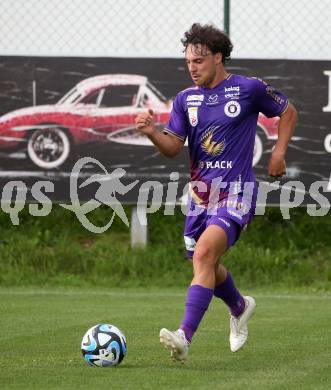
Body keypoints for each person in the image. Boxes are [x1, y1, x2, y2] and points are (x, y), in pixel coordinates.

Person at [135, 23, 297, 362]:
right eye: (188, 62)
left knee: (204, 254)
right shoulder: (185, 99)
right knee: (205, 262)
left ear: (218, 57)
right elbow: (171, 148)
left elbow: (287, 111)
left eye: (199, 60)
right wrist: (152, 132)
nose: (193, 68)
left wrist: (279, 152)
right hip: (199, 198)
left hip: (237, 190)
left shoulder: (247, 89)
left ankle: (184, 337)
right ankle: (239, 306)